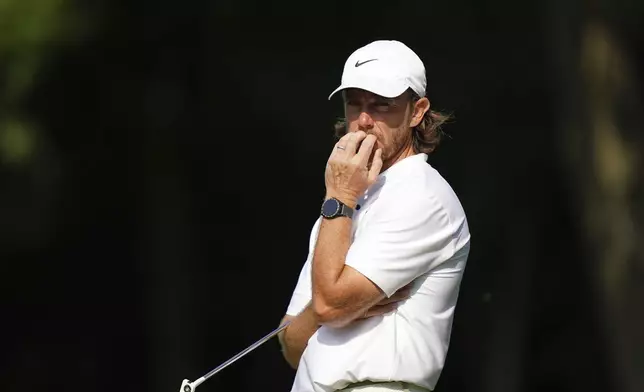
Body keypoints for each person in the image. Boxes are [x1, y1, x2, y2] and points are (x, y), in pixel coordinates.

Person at [277, 40, 471, 392]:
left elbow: (328, 304)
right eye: (355, 104)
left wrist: (330, 310)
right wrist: (325, 313)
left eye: (382, 106)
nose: (364, 121)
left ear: (417, 111)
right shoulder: (346, 202)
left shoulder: (422, 195)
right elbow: (291, 342)